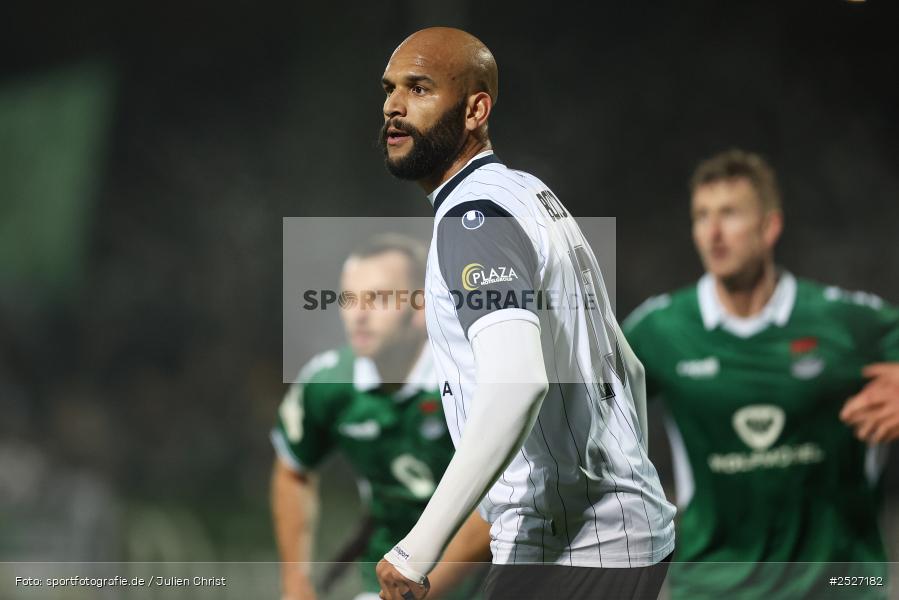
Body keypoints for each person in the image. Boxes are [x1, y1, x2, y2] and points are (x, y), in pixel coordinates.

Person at [375, 27, 676, 600]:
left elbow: (516, 384)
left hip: (570, 545)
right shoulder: (528, 194)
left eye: (419, 89)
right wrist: (633, 484)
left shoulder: (475, 219)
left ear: (475, 109)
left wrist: (418, 549)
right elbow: (627, 367)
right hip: (623, 535)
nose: (393, 106)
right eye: (390, 90)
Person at [622, 149, 899, 599]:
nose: (712, 233)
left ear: (770, 226)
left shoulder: (844, 321)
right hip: (713, 588)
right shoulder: (661, 330)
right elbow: (581, 408)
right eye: (701, 216)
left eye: (729, 214)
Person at [271, 233, 489, 600]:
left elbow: (506, 501)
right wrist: (296, 584)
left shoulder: (473, 377)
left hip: (493, 578)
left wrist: (424, 593)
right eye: (349, 298)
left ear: (420, 308)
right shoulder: (329, 384)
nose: (359, 314)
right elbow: (292, 468)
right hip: (388, 581)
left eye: (379, 298)